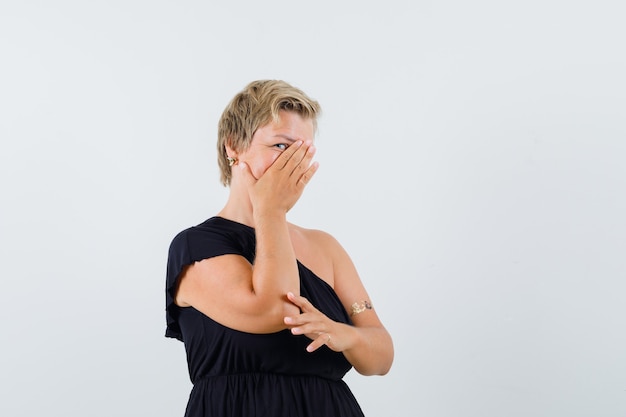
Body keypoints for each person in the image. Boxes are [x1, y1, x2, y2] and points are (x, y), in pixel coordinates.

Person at [165, 79, 394, 417]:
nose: (295, 163)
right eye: (282, 147)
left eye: (304, 151)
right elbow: (275, 311)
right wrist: (270, 210)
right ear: (233, 146)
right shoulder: (195, 246)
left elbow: (381, 356)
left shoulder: (324, 246)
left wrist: (343, 335)